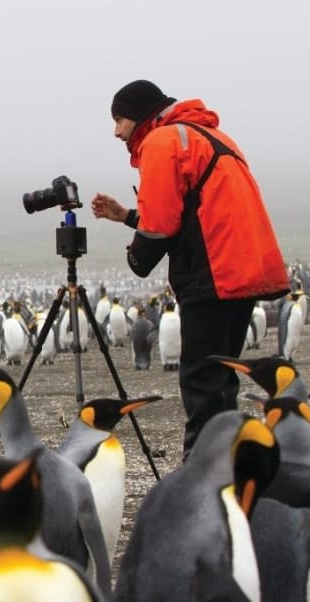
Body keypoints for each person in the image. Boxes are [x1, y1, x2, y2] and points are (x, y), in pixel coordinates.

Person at [91, 79, 289, 459]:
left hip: (212, 274)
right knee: (220, 378)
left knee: (202, 382)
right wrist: (127, 216)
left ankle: (203, 472)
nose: (116, 131)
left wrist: (137, 258)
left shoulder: (162, 141)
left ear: (140, 114)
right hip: (240, 272)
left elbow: (161, 225)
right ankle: (226, 465)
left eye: (119, 120)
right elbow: (191, 213)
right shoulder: (209, 136)